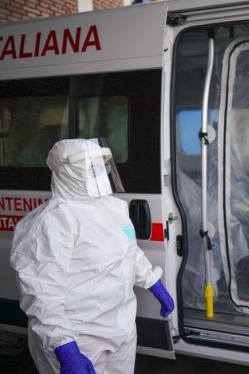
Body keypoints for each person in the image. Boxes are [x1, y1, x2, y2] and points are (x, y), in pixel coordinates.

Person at [10, 138, 174, 374]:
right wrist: (65, 347)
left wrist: (153, 282)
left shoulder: (113, 207)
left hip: (121, 328)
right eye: (92, 165)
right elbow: (41, 293)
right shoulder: (51, 223)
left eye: (102, 164)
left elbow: (129, 251)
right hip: (78, 337)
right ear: (67, 171)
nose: (101, 171)